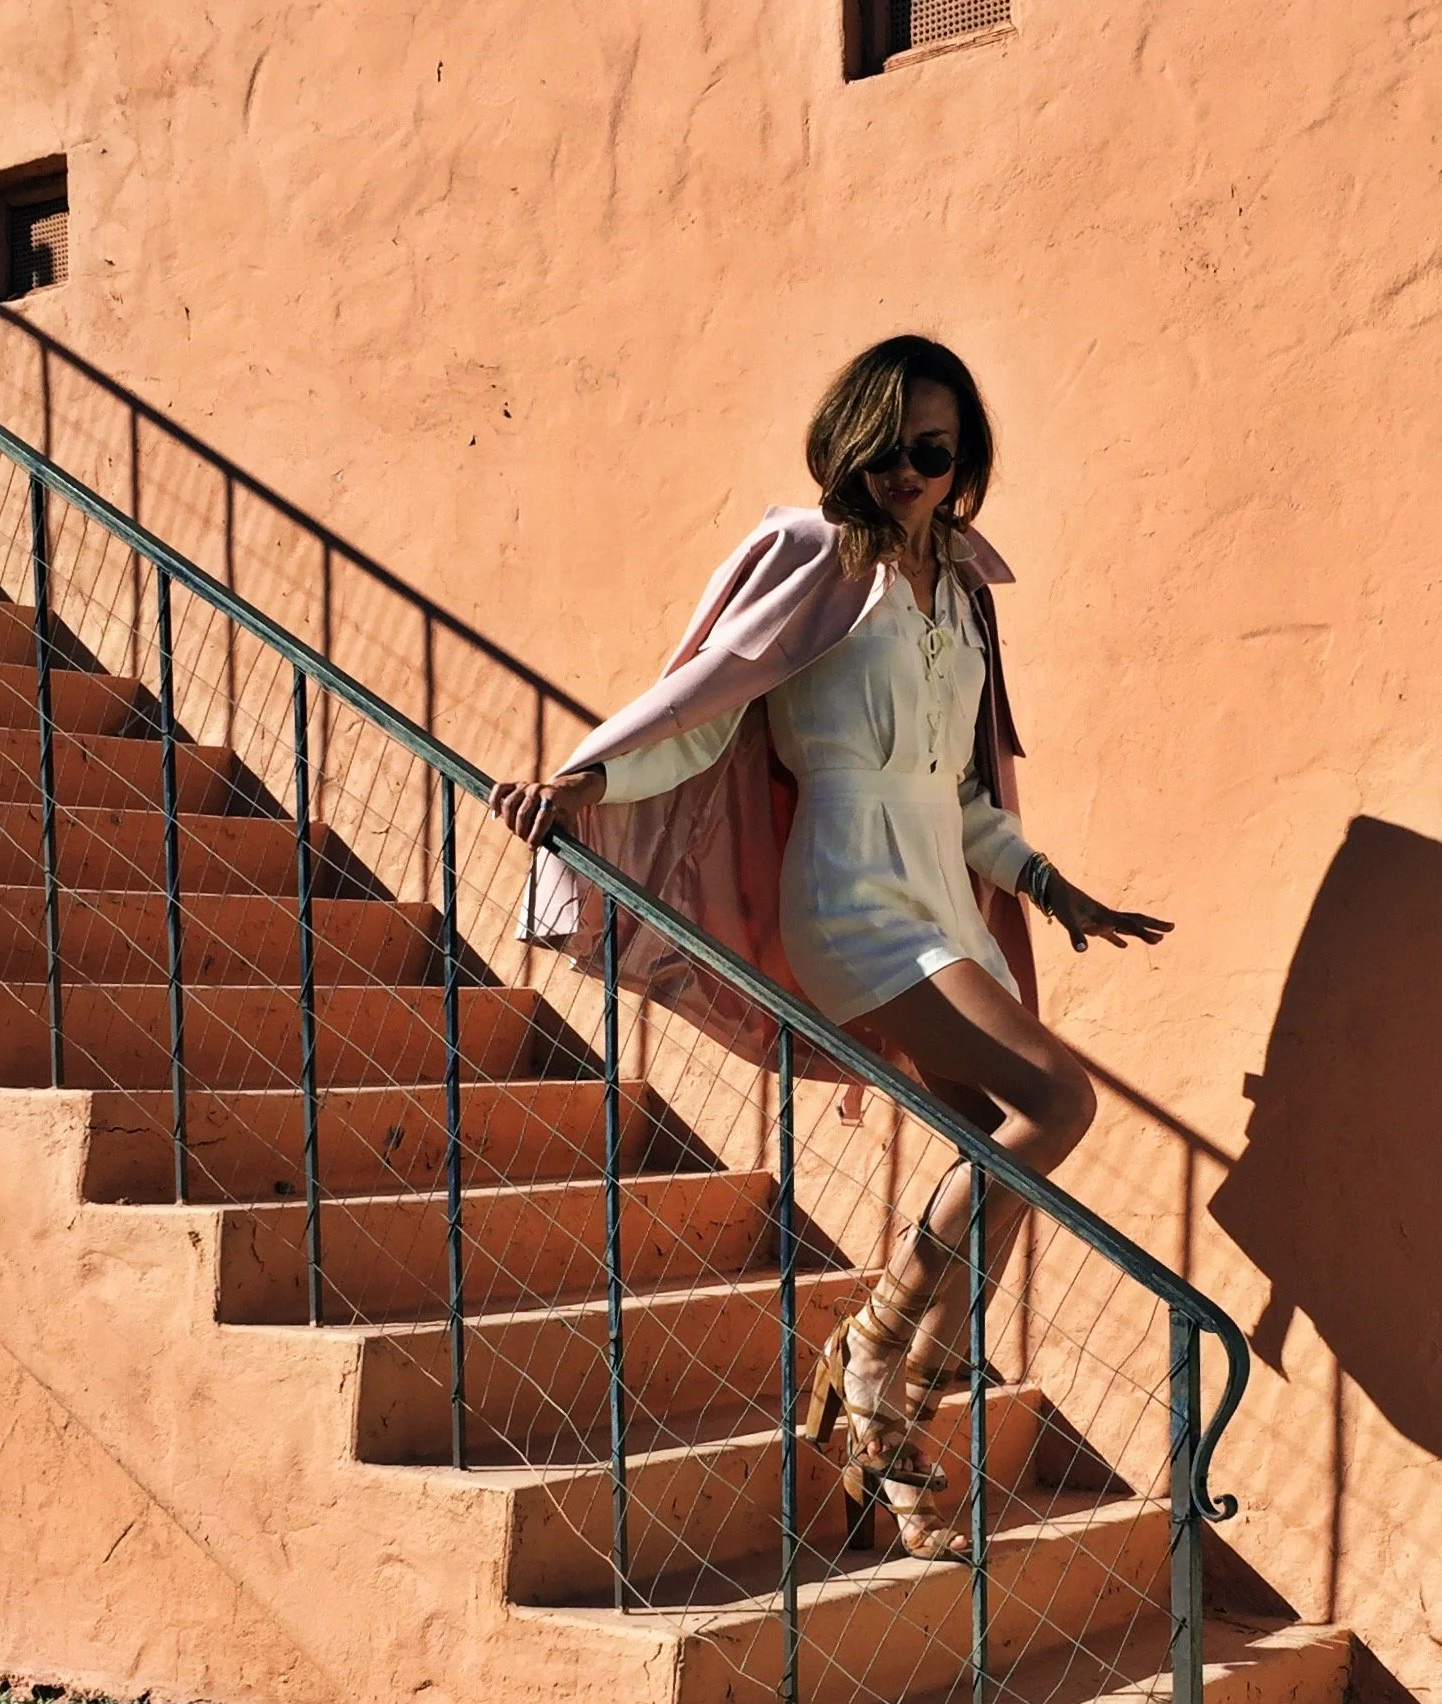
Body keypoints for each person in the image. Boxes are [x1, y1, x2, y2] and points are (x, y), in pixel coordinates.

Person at [491, 337, 1169, 1560]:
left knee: (998, 1155)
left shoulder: (962, 589)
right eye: (886, 447)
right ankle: (872, 1347)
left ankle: (892, 1430)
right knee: (1057, 1100)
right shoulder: (811, 556)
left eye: (933, 451)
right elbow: (702, 708)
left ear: (961, 461)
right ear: (846, 444)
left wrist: (1046, 884)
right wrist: (583, 780)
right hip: (851, 888)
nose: (907, 471)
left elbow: (960, 793)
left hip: (943, 889)